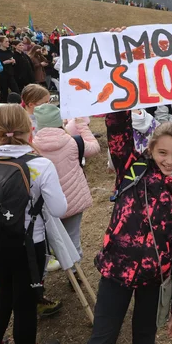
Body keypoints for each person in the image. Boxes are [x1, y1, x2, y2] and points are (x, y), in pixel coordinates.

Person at [86, 111, 172, 344]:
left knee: (145, 339)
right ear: (150, 149)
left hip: (153, 279)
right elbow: (117, 128)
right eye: (163, 153)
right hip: (116, 271)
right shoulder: (131, 169)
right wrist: (123, 90)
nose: (170, 161)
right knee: (102, 339)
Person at [0, 104, 66, 344]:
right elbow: (59, 209)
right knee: (26, 302)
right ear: (30, 128)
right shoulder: (40, 164)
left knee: (4, 294)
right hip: (29, 245)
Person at [33, 104, 100, 261]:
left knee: (47, 238)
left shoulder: (32, 146)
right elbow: (94, 147)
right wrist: (82, 126)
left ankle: (48, 263)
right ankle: (75, 272)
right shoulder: (73, 142)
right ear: (59, 121)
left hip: (46, 204)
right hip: (73, 198)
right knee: (73, 237)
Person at [0, 36, 20, 103]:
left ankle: (18, 107)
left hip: (10, 74)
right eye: (6, 41)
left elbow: (14, 64)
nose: (8, 43)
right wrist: (5, 62)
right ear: (0, 43)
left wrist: (13, 62)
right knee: (4, 93)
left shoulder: (9, 52)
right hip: (1, 75)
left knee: (16, 91)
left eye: (8, 41)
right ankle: (3, 109)